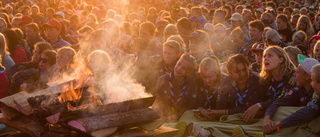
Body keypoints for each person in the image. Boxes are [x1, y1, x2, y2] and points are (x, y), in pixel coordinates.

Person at [263, 58, 319, 134]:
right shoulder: (298, 89)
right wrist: (267, 118)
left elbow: (307, 112)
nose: (294, 74)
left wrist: (281, 124)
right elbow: (278, 102)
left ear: (307, 77)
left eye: (298, 72)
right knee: (280, 110)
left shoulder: (316, 91)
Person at [205, 54, 266, 120]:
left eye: (244, 70)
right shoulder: (225, 82)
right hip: (230, 120)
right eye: (237, 72)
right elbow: (221, 106)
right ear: (230, 73)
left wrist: (260, 105)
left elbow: (270, 102)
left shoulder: (259, 81)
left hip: (253, 120)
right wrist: (212, 113)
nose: (242, 74)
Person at [154, 54, 197, 122]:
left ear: (188, 72)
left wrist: (177, 115)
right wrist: (166, 115)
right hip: (163, 115)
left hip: (182, 117)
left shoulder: (191, 84)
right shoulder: (163, 79)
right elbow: (157, 101)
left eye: (184, 68)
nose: (179, 68)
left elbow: (189, 106)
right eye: (178, 64)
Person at [259, 46, 296, 111]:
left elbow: (284, 99)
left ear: (281, 60)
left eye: (270, 56)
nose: (265, 58)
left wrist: (261, 105)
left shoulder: (293, 76)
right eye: (264, 56)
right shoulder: (265, 80)